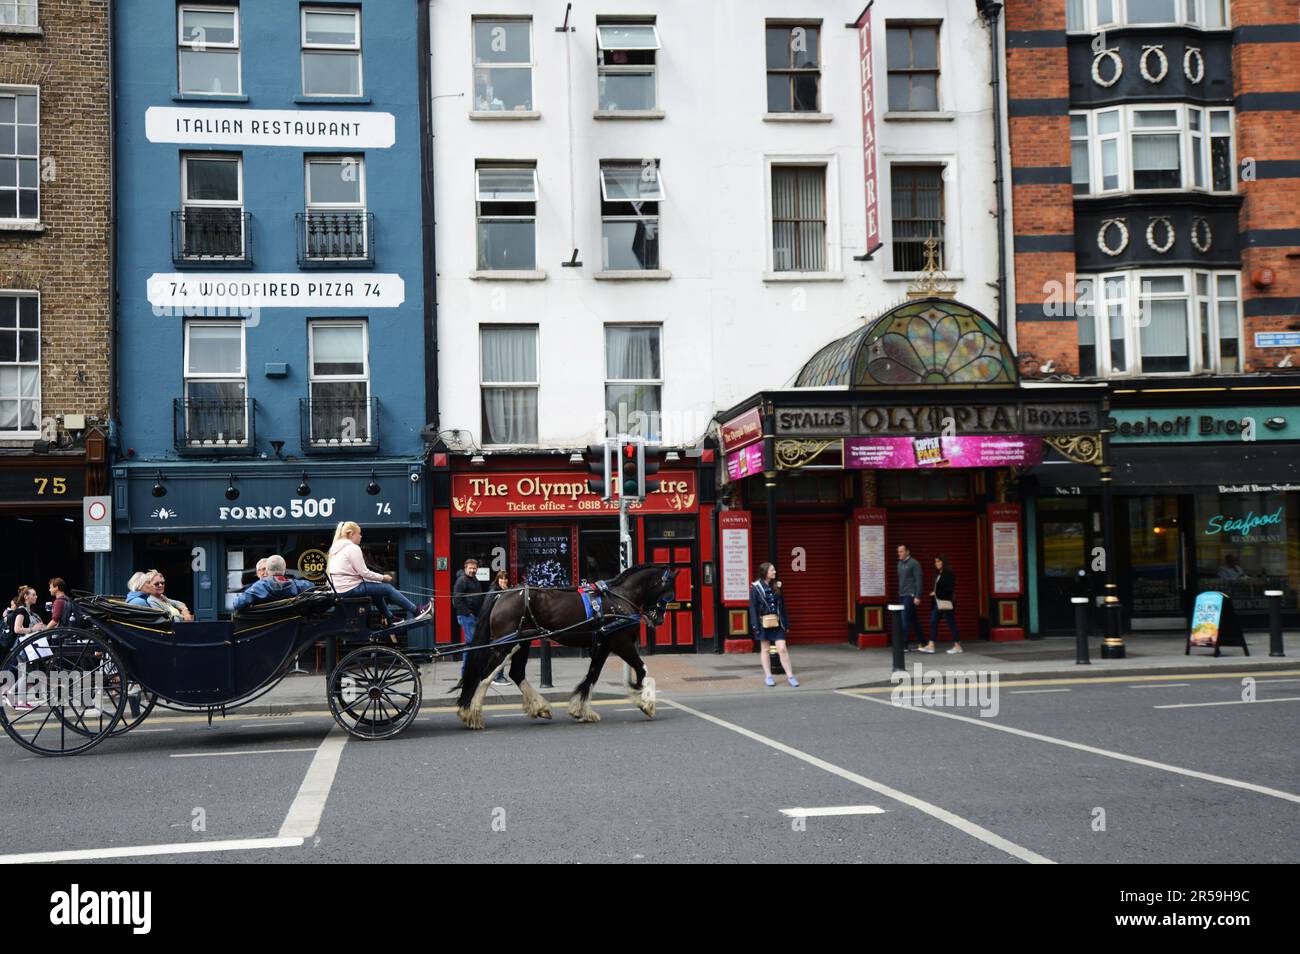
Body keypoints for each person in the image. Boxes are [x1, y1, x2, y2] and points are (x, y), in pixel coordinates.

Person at [327, 521, 429, 621]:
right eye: (359, 533)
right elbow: (364, 573)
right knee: (387, 588)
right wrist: (383, 578)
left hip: (340, 590)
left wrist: (377, 581)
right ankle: (416, 611)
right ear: (351, 534)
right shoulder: (352, 548)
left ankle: (390, 618)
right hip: (350, 589)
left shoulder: (335, 549)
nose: (361, 536)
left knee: (377, 591)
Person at [749, 562, 798, 687]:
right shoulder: (756, 587)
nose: (775, 572)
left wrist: (785, 623)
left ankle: (790, 676)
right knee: (765, 649)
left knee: (782, 648)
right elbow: (753, 607)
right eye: (772, 570)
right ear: (765, 572)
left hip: (777, 622)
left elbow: (782, 606)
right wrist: (755, 625)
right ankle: (768, 676)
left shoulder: (777, 585)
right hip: (763, 623)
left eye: (774, 570)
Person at [233, 555, 314, 612]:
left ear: (267, 570)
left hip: (264, 629)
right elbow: (312, 586)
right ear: (285, 570)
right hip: (292, 629)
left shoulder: (259, 587)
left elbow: (237, 604)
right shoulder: (298, 585)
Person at [920, 555, 962, 654]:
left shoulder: (949, 573)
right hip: (938, 603)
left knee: (951, 623)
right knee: (933, 622)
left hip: (945, 602)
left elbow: (949, 589)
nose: (937, 564)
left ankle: (958, 646)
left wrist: (936, 593)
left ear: (944, 562)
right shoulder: (939, 574)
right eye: (935, 562)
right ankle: (931, 645)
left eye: (939, 561)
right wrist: (935, 593)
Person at [452, 558, 485, 676]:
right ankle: (466, 673)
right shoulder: (462, 581)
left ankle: (470, 671)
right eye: (470, 568)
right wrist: (468, 613)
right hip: (467, 616)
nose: (472, 570)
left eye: (474, 568)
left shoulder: (474, 579)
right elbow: (457, 600)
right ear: (465, 568)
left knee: (472, 643)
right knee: (471, 644)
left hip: (474, 616)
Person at [480, 569, 512, 686]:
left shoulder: (507, 591)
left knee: (502, 652)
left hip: (504, 627)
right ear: (497, 580)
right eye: (501, 579)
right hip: (495, 628)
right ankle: (497, 676)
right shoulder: (493, 592)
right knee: (499, 652)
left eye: (505, 579)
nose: (504, 581)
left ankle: (496, 675)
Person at [897, 544, 925, 651]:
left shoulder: (914, 563)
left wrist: (917, 596)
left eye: (901, 551)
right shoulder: (899, 563)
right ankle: (923, 641)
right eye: (898, 552)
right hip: (902, 595)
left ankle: (904, 645)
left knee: (904, 619)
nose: (899, 554)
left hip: (910, 595)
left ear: (907, 552)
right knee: (913, 619)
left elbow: (919, 580)